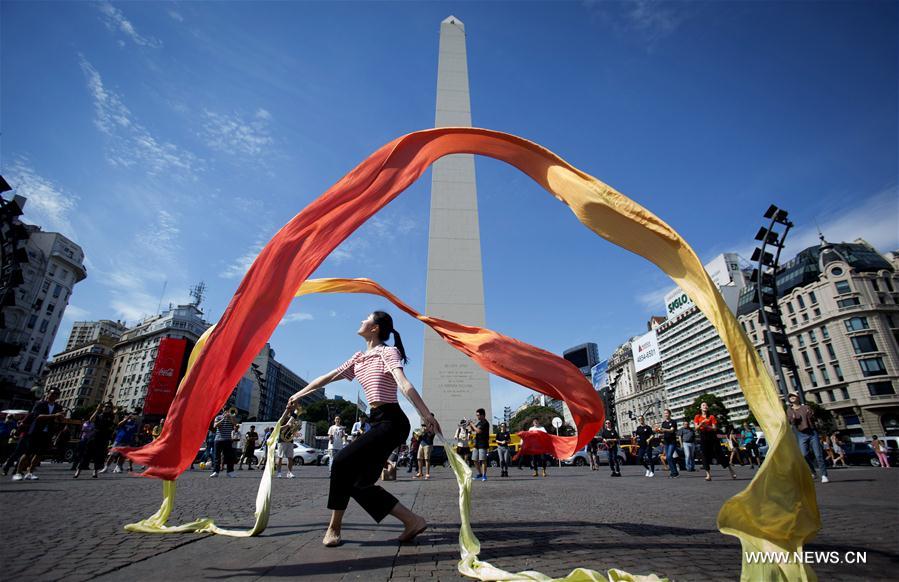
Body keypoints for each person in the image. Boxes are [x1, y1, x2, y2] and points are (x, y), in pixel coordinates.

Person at [283, 310, 439, 547]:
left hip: (392, 421)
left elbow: (403, 383)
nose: (361, 320)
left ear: (375, 328)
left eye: (365, 318)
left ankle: (334, 527)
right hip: (376, 420)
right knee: (358, 484)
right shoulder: (358, 359)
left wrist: (425, 414)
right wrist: (299, 393)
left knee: (342, 462)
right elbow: (326, 378)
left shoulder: (387, 352)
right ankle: (412, 521)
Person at [12, 388, 65, 481]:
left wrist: (61, 418)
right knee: (27, 452)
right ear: (47, 394)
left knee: (39, 454)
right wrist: (55, 415)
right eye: (52, 393)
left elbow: (59, 420)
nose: (54, 396)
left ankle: (30, 472)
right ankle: (18, 472)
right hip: (35, 431)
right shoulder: (40, 404)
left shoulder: (58, 407)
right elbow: (38, 416)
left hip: (47, 433)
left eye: (57, 394)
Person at [786, 393, 828, 483]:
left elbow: (812, 417)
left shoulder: (805, 407)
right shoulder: (789, 410)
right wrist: (793, 417)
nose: (791, 397)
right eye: (790, 397)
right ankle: (813, 471)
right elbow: (791, 421)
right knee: (804, 455)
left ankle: (824, 475)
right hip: (801, 434)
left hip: (812, 432)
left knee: (818, 455)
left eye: (793, 396)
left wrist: (810, 414)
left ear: (798, 397)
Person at [695, 402, 736, 481]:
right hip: (703, 436)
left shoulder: (711, 416)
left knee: (719, 453)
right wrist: (701, 424)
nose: (705, 406)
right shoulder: (697, 416)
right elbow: (696, 428)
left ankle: (731, 469)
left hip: (712, 436)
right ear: (700, 408)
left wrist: (706, 425)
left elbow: (715, 428)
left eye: (706, 405)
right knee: (704, 455)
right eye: (703, 405)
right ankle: (708, 474)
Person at [210, 407, 237, 478]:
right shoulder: (218, 417)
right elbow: (215, 426)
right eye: (226, 410)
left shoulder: (232, 417)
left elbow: (235, 424)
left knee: (229, 457)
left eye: (228, 411)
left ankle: (230, 472)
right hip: (218, 439)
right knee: (217, 457)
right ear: (223, 411)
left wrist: (230, 418)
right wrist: (223, 418)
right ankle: (216, 471)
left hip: (228, 439)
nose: (227, 412)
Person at [468, 408, 490, 481]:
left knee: (483, 460)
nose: (477, 417)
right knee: (474, 459)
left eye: (478, 415)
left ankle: (484, 475)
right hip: (476, 443)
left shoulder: (485, 423)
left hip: (483, 443)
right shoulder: (479, 422)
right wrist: (470, 425)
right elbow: (473, 430)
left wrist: (472, 425)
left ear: (482, 415)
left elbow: (478, 431)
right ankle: (480, 473)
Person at [658, 409, 679, 478]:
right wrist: (659, 431)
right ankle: (675, 471)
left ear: (669, 414)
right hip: (666, 442)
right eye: (665, 413)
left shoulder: (673, 422)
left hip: (672, 442)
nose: (666, 415)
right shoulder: (663, 423)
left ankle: (674, 472)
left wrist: (664, 429)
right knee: (668, 457)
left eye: (667, 413)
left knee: (669, 456)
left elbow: (672, 430)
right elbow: (663, 432)